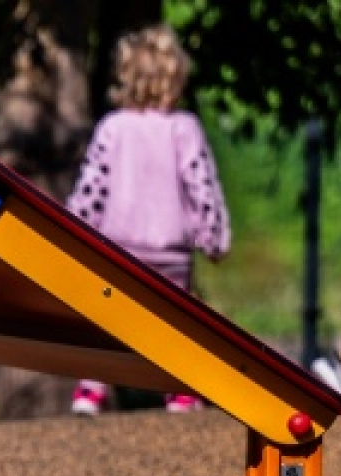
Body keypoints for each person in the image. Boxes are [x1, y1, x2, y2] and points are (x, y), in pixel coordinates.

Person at [66, 25, 231, 416]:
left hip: (119, 247)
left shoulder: (113, 127)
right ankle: (180, 391)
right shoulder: (183, 128)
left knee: (106, 316)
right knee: (176, 322)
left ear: (126, 76)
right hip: (171, 252)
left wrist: (73, 231)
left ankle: (91, 387)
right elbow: (201, 186)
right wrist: (214, 239)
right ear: (176, 78)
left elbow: (93, 187)